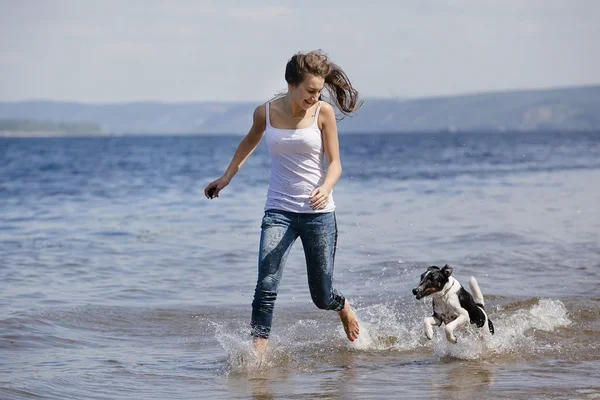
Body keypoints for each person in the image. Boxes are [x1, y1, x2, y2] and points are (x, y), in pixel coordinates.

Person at [204, 49, 362, 353]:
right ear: (291, 84)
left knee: (322, 297)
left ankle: (342, 307)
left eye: (319, 91)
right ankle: (259, 352)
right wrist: (226, 178)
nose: (315, 97)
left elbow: (336, 163)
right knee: (266, 283)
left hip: (318, 214)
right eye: (310, 91)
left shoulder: (323, 113)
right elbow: (249, 142)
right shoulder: (265, 112)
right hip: (279, 211)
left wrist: (327, 187)